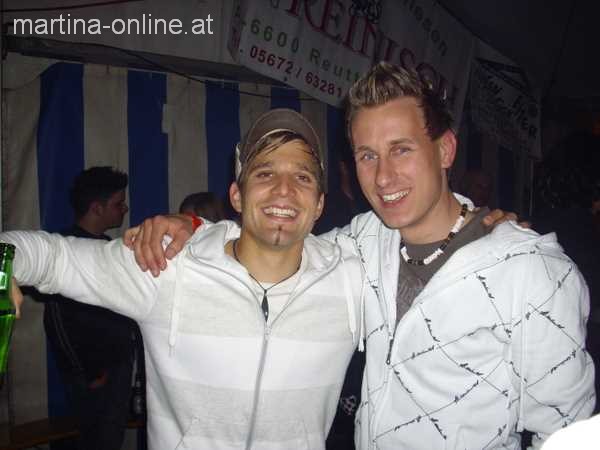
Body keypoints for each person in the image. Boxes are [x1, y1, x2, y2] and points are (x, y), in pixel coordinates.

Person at [128, 63, 595, 449]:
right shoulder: (363, 243)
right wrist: (194, 225)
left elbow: (568, 433)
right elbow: (275, 237)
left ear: (445, 149)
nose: (384, 177)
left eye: (401, 150)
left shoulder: (531, 271)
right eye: (367, 156)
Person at [2, 109, 365, 450]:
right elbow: (54, 257)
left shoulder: (351, 276)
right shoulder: (169, 265)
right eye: (265, 173)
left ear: (319, 204)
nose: (284, 189)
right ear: (237, 196)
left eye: (302, 176)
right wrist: (6, 265)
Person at [39, 166, 137, 450]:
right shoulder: (66, 249)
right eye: (118, 203)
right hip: (93, 377)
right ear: (96, 208)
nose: (125, 209)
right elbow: (56, 320)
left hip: (116, 369)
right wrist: (86, 372)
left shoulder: (109, 247)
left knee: (111, 439)